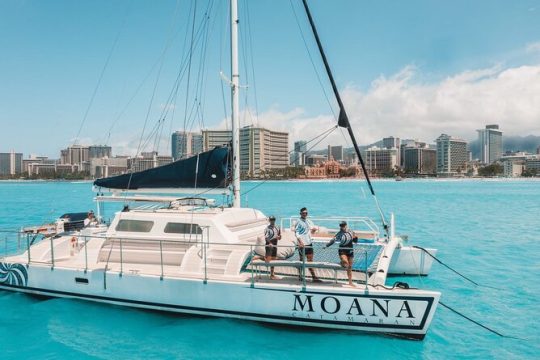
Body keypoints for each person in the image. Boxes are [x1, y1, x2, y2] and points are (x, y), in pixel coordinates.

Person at [326, 221, 358, 286]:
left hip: (350, 250)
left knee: (350, 267)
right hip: (342, 250)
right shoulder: (339, 234)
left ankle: (350, 282)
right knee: (346, 263)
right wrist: (327, 245)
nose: (342, 227)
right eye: (341, 226)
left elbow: (355, 242)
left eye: (343, 226)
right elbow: (333, 240)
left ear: (346, 226)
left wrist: (355, 238)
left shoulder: (351, 232)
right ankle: (342, 262)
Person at [295, 207, 321, 282]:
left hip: (309, 244)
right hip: (302, 245)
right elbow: (296, 233)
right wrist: (300, 242)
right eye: (303, 213)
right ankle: (300, 276)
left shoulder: (309, 221)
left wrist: (313, 230)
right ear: (300, 213)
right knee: (301, 261)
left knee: (310, 261)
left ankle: (314, 277)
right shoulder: (298, 221)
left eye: (306, 213)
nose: (305, 214)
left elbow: (311, 232)